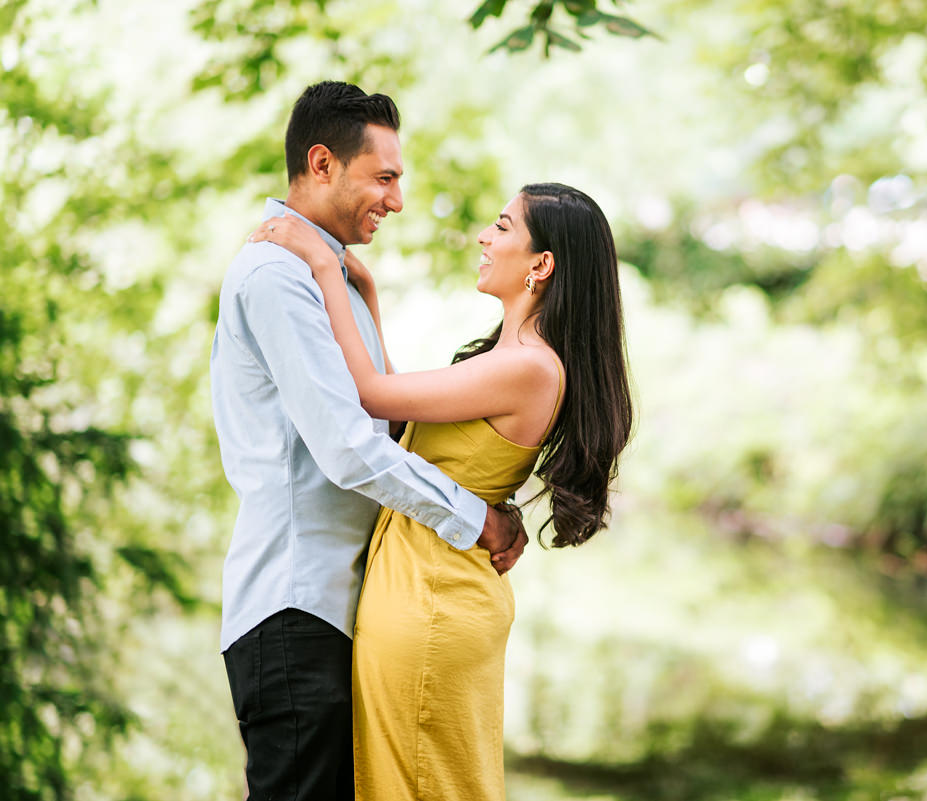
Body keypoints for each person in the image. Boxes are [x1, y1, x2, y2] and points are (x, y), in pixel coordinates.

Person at [247, 180, 634, 800]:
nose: (485, 236)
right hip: (425, 582)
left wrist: (324, 266)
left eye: (503, 227)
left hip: (434, 599)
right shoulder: (512, 355)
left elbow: (368, 395)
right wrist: (365, 291)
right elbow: (402, 422)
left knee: (426, 785)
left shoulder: (530, 365)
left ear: (542, 264)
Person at [210, 81, 527, 801]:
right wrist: (475, 518)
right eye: (384, 177)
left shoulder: (333, 274)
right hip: (295, 609)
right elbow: (350, 449)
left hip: (337, 613)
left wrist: (366, 294)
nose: (397, 199)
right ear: (322, 164)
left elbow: (383, 419)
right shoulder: (276, 274)